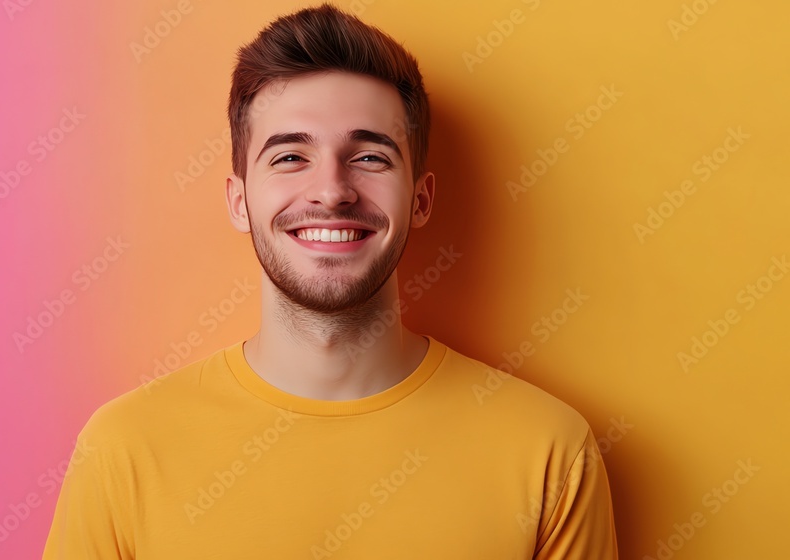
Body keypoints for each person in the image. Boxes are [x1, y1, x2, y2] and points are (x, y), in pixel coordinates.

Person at [42, 3, 619, 558]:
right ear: (240, 201)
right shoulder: (124, 451)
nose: (332, 190)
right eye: (290, 157)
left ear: (420, 199)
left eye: (370, 157)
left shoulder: (548, 452)